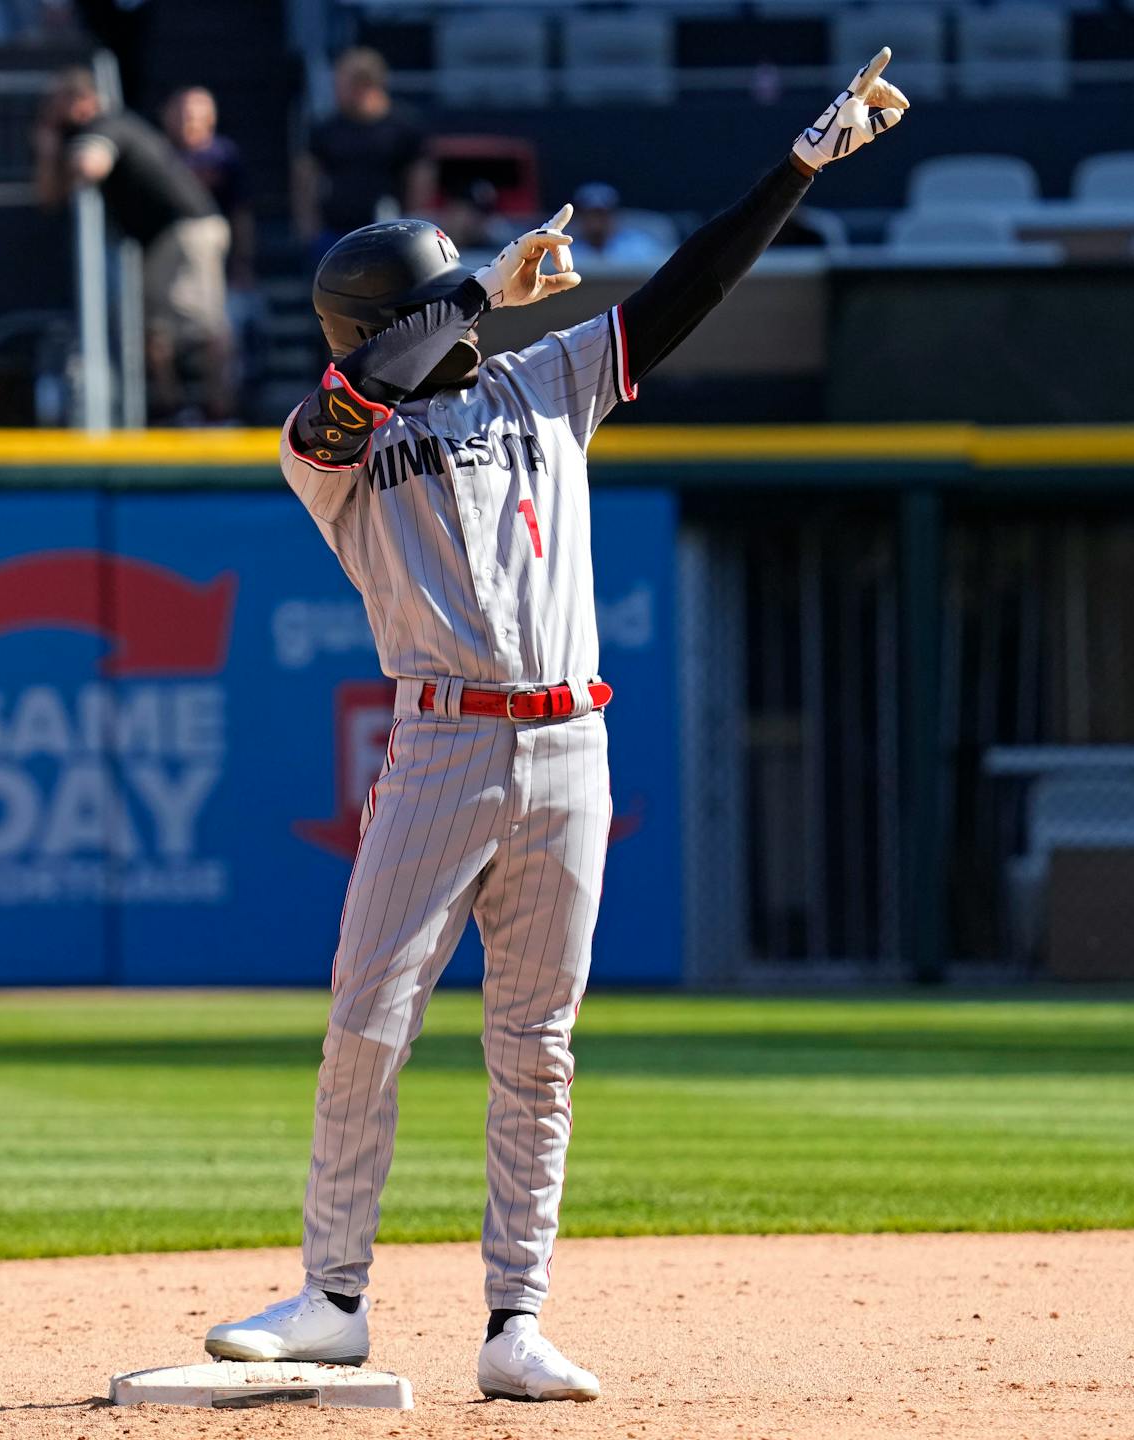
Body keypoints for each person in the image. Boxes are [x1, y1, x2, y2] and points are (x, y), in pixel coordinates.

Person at [205, 49, 910, 1403]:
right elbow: (376, 377)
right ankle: (333, 1297)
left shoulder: (546, 385)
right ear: (382, 323)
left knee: (538, 1045)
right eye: (432, 301)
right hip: (444, 743)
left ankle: (515, 1320)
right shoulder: (331, 444)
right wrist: (476, 287)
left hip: (569, 744)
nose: (465, 313)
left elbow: (688, 289)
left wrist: (802, 165)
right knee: (369, 1018)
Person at [35, 68, 233, 421]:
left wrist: (62, 153)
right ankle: (176, 410)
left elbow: (90, 164)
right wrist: (49, 149)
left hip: (186, 232)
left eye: (63, 101)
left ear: (86, 101)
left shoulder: (109, 123)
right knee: (154, 331)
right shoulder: (81, 130)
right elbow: (49, 198)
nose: (55, 110)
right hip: (163, 241)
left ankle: (219, 413)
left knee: (203, 327)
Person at [294, 47, 430, 253]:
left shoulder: (403, 128)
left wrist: (414, 226)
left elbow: (420, 177)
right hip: (336, 237)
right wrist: (309, 227)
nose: (335, 90)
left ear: (364, 85)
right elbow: (305, 175)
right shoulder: (327, 129)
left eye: (340, 83)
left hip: (390, 236)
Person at [163, 85, 253, 289]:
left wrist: (243, 261)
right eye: (182, 114)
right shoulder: (160, 153)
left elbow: (241, 211)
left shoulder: (224, 156)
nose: (188, 121)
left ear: (210, 118)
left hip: (212, 245)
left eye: (194, 115)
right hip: (166, 247)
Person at [566, 182, 671, 265]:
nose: (596, 221)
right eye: (590, 215)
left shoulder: (640, 246)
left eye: (602, 214)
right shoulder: (565, 250)